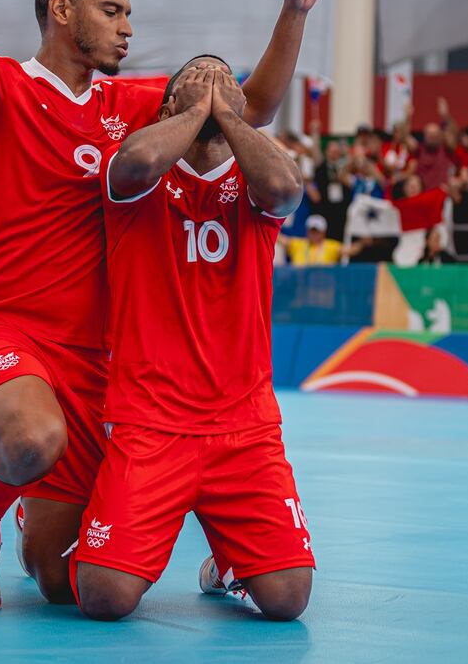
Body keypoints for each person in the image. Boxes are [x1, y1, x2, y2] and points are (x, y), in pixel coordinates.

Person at [0, 0, 327, 611]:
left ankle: (222, 550)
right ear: (61, 10)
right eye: (112, 10)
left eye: (130, 13)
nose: (129, 26)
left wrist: (292, 12)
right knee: (29, 437)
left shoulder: (133, 101)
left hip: (102, 356)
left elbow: (255, 105)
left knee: (55, 580)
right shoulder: (5, 90)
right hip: (5, 324)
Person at [72, 61, 313, 621]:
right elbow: (136, 160)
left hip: (244, 428)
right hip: (150, 424)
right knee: (105, 599)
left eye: (223, 77)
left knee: (287, 601)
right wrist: (201, 110)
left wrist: (225, 112)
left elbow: (285, 189)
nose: (210, 81)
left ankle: (228, 564)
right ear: (165, 109)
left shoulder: (255, 181)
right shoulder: (139, 176)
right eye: (195, 78)